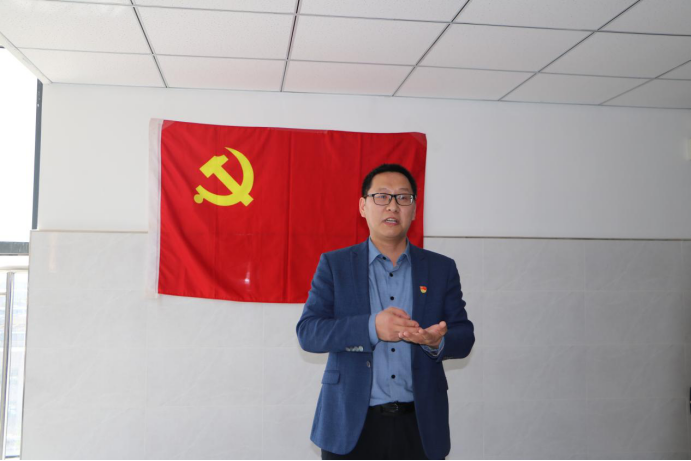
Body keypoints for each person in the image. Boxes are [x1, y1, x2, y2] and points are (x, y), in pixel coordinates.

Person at [296, 163, 475, 460]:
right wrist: (370, 328)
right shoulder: (335, 265)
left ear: (414, 210)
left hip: (419, 426)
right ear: (363, 206)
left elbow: (464, 336)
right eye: (381, 196)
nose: (393, 206)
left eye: (403, 197)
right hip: (350, 426)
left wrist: (437, 341)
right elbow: (309, 333)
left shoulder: (441, 268)